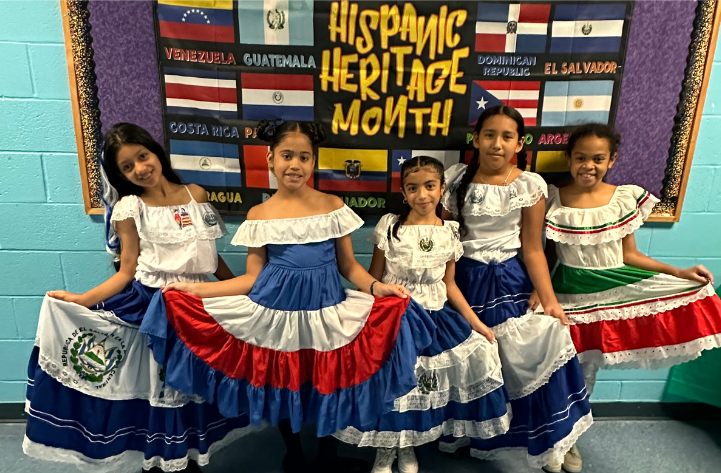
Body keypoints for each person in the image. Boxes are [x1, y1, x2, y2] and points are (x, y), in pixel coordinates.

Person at [147, 119, 435, 473]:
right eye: (286, 155)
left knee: (330, 379)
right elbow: (251, 278)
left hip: (325, 309)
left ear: (313, 162)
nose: (294, 164)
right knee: (284, 383)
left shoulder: (332, 205)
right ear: (270, 158)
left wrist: (378, 288)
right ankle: (293, 450)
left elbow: (349, 267)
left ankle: (329, 452)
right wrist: (194, 289)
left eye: (303, 157)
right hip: (274, 312)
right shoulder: (259, 214)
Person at [24, 123, 251, 472]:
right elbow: (126, 270)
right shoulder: (130, 207)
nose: (140, 169)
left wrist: (240, 289)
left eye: (142, 157)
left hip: (199, 304)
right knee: (159, 386)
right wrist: (82, 300)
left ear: (155, 151)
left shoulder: (196, 195)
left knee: (192, 387)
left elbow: (208, 255)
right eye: (127, 167)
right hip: (153, 308)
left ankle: (186, 458)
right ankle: (158, 462)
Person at [438, 106, 592, 472]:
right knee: (472, 357)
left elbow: (533, 248)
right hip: (463, 282)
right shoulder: (456, 178)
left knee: (532, 351)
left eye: (507, 136)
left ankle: (554, 439)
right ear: (476, 139)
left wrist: (550, 301)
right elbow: (444, 238)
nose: (497, 143)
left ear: (519, 143)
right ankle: (471, 433)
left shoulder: (529, 185)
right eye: (489, 135)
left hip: (508, 280)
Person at [333, 156, 511, 473]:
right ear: (403, 192)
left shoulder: (451, 232)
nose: (422, 195)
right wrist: (355, 321)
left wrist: (477, 323)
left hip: (435, 318)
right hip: (394, 318)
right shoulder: (390, 227)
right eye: (413, 188)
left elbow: (450, 284)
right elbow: (374, 279)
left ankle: (409, 447)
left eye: (430, 186)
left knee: (420, 385)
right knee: (393, 383)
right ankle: (386, 450)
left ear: (442, 189)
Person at [540, 123, 721, 395]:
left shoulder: (622, 198)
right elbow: (548, 254)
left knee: (591, 360)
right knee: (565, 360)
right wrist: (540, 291)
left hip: (613, 286)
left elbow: (630, 254)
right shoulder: (553, 198)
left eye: (598, 159)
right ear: (569, 158)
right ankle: (563, 419)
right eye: (580, 157)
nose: (588, 165)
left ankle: (580, 416)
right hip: (569, 289)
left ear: (611, 160)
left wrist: (679, 273)